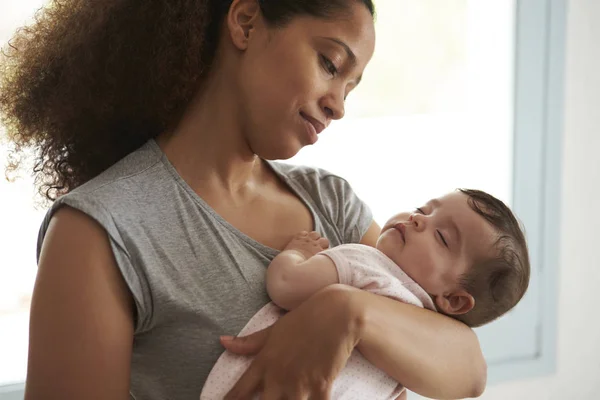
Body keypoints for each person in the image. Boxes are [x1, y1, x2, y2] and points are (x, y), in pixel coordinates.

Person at [0, 0, 488, 398]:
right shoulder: (101, 231)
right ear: (247, 21)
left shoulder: (331, 204)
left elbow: (467, 368)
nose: (338, 104)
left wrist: (344, 313)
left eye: (350, 86)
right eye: (330, 64)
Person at [201, 189, 530, 399]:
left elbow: (286, 286)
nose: (418, 220)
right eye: (423, 209)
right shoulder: (421, 338)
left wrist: (296, 253)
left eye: (442, 237)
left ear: (455, 300)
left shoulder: (365, 263)